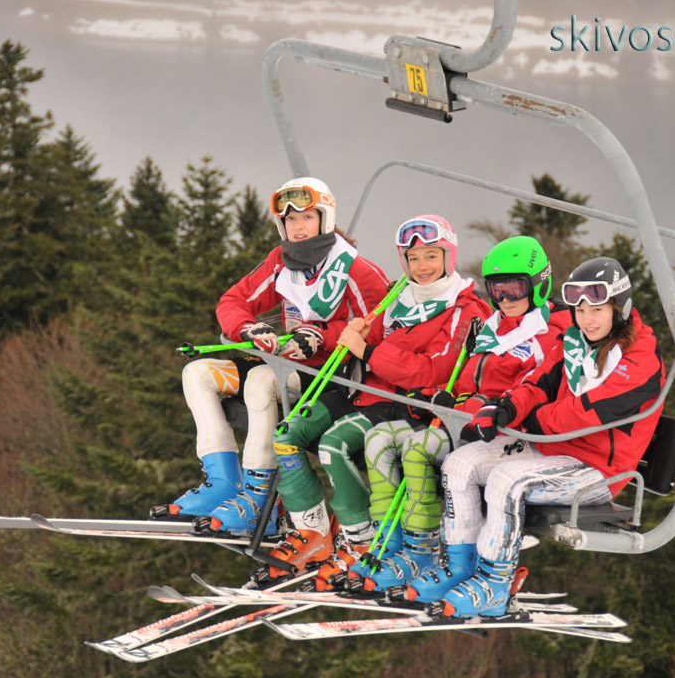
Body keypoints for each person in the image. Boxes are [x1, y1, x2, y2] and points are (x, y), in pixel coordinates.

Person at [407, 256, 665, 617]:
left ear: (619, 308)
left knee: (507, 480)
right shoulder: (574, 342)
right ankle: (461, 566)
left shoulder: (640, 359)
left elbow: (585, 414)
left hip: (598, 469)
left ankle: (495, 583)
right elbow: (538, 382)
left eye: (597, 310)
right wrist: (505, 409)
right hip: (550, 449)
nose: (587, 320)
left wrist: (532, 421)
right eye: (580, 311)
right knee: (459, 464)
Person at [149, 177, 389, 538]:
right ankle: (223, 483)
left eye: (307, 217)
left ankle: (259, 498)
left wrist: (323, 336)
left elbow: (381, 329)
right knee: (197, 373)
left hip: (330, 377)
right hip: (284, 364)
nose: (298, 227)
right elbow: (232, 301)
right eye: (290, 220)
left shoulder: (356, 270)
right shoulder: (282, 262)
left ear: (324, 218)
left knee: (263, 381)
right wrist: (248, 329)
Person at [261, 215, 492, 587]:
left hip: (403, 403)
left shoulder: (464, 308)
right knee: (289, 432)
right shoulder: (399, 295)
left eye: (431, 256)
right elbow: (370, 331)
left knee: (334, 446)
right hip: (362, 389)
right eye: (413, 258)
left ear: (448, 256)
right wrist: (346, 332)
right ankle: (312, 531)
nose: (422, 267)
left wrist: (368, 352)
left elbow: (433, 370)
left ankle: (361, 538)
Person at [353, 235, 571, 594]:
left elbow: (521, 394)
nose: (504, 299)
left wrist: (463, 407)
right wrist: (438, 396)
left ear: (538, 283)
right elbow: (469, 379)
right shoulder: (495, 325)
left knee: (418, 449)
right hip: (461, 419)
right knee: (378, 439)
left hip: (500, 432)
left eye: (514, 289)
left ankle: (423, 553)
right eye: (496, 290)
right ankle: (389, 546)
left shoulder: (549, 334)